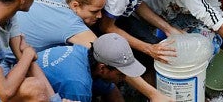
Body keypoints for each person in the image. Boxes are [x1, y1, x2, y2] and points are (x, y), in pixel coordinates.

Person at [0, 0, 62, 102]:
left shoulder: (8, 15)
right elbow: (5, 91)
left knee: (35, 85)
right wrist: (27, 54)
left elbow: (26, 58)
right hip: (2, 89)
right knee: (33, 89)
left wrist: (55, 101)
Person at [37, 33, 173, 102]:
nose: (124, 78)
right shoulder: (78, 86)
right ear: (103, 68)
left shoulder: (86, 54)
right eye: (121, 74)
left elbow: (111, 91)